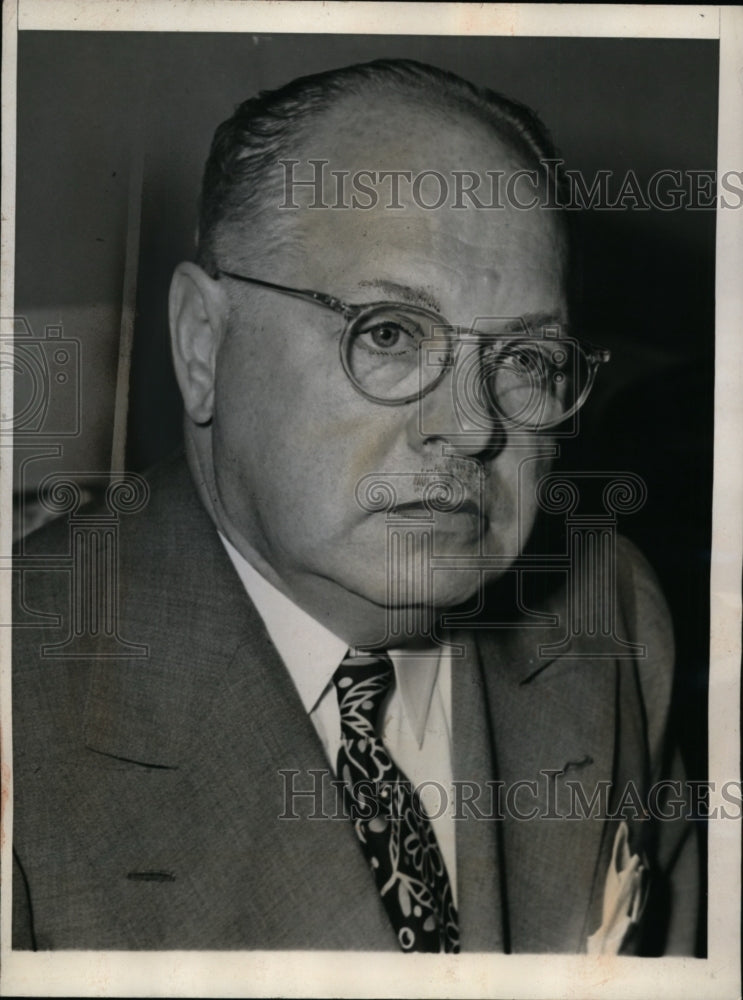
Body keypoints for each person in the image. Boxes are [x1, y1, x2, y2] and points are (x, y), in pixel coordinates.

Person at [12, 58, 698, 953]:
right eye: (389, 334)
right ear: (201, 345)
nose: (469, 428)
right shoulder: (23, 698)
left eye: (525, 360)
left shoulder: (608, 618)